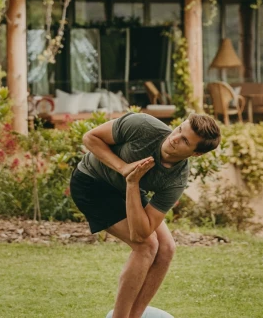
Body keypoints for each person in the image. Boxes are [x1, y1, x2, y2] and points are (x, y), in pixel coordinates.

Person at [72, 111, 222, 318]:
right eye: (179, 129)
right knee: (147, 247)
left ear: (195, 153)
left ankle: (135, 315)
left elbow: (140, 231)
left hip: (128, 188)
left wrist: (132, 183)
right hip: (92, 184)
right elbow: (90, 137)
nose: (174, 138)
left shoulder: (176, 179)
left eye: (185, 140)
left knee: (167, 248)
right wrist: (123, 168)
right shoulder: (142, 126)